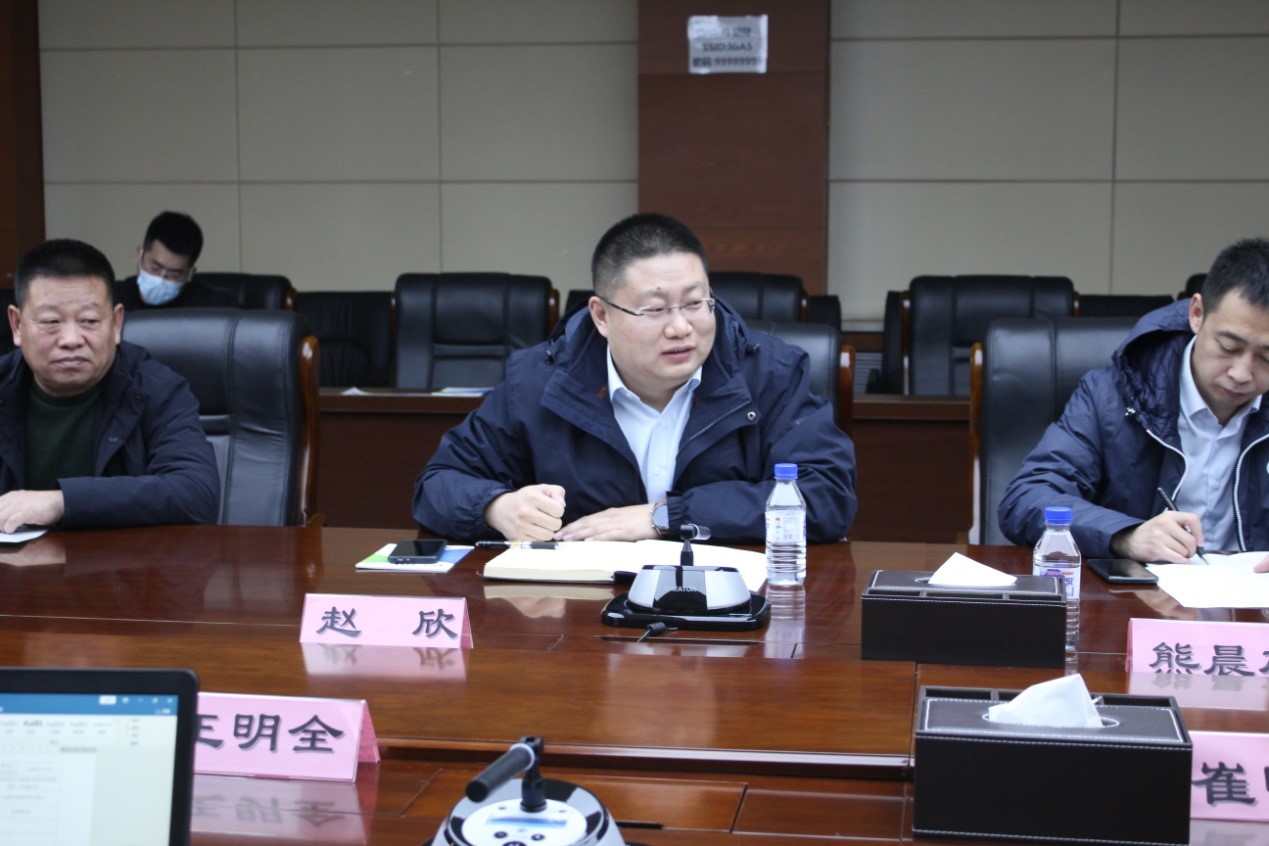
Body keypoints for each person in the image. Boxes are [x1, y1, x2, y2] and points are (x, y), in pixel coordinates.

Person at [414, 213, 857, 544]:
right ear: (602, 316)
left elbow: (826, 496)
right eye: (655, 309)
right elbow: (439, 483)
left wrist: (666, 517)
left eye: (695, 303)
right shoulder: (539, 381)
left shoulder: (771, 374)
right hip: (582, 613)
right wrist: (497, 508)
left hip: (734, 608)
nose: (680, 327)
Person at [999, 237, 1269, 570]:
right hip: (1135, 595)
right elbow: (1026, 499)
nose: (1241, 374)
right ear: (1197, 314)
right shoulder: (1110, 396)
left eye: (1267, 357)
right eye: (1228, 347)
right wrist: (1126, 535)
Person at [0, 238, 220, 531]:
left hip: (122, 560)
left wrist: (62, 502)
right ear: (17, 325)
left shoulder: (157, 390)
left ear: (116, 324)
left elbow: (197, 494)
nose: (71, 340)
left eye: (89, 321)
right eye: (51, 321)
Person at [114, 211, 237, 310]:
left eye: (174, 274)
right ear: (139, 255)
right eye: (155, 267)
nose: (161, 279)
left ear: (190, 274)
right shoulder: (112, 299)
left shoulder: (214, 307)